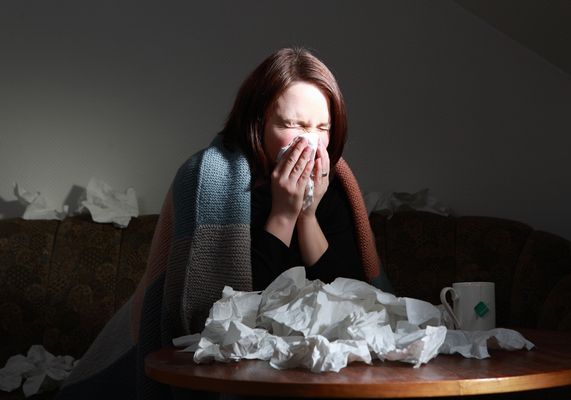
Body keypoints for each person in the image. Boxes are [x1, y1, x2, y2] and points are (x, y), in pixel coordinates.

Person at [55, 47, 391, 400]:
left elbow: (350, 296)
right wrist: (283, 213)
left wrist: (306, 213)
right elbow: (221, 312)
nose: (310, 142)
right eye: (293, 125)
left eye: (322, 127)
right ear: (257, 123)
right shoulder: (208, 178)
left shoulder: (332, 183)